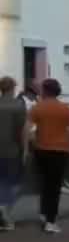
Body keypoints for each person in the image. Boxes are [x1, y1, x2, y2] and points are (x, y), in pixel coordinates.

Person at [24, 79, 69, 233]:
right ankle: (50, 220)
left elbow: (27, 129)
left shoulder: (37, 108)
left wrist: (27, 148)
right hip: (61, 150)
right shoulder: (66, 109)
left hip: (41, 149)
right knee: (54, 186)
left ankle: (43, 212)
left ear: (45, 91)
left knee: (45, 183)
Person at [0, 77, 26, 230]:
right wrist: (25, 151)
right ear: (12, 88)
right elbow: (21, 131)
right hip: (12, 150)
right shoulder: (18, 105)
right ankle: (4, 210)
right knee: (14, 184)